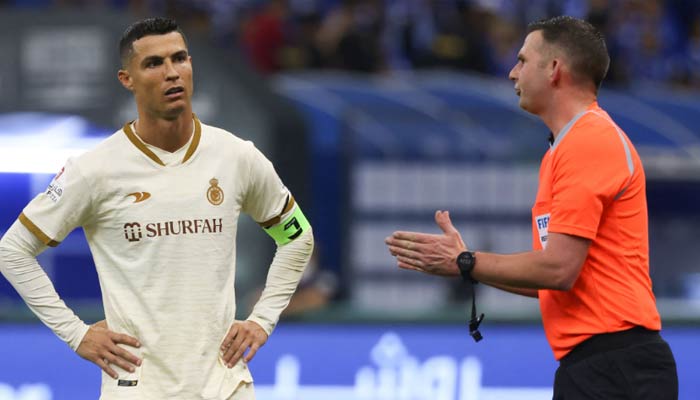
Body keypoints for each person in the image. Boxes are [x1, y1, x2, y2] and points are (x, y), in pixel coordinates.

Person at [0, 17, 313, 399]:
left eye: (180, 58)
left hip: (225, 387)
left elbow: (297, 237)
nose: (172, 73)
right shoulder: (94, 169)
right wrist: (76, 333)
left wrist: (262, 319)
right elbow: (12, 251)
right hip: (139, 388)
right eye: (154, 64)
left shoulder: (237, 156)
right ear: (126, 79)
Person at [385, 16, 678, 399]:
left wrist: (467, 262)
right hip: (598, 365)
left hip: (616, 365)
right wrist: (464, 263)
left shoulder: (590, 141)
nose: (511, 72)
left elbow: (558, 269)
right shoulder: (564, 149)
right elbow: (556, 282)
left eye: (522, 60)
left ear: (554, 69)